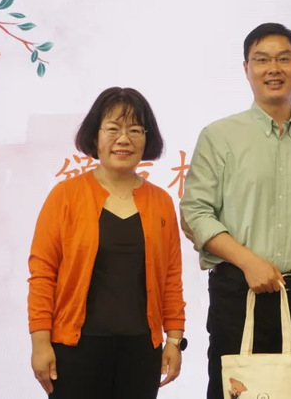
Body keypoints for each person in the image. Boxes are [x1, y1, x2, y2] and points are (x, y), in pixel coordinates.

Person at [179, 22, 291, 399]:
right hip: (237, 294)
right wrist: (248, 262)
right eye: (262, 59)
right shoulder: (220, 136)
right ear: (246, 68)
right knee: (233, 392)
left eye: (284, 59)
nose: (274, 68)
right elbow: (196, 212)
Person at [27, 87, 187, 398]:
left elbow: (171, 279)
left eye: (135, 130)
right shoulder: (65, 195)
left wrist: (173, 340)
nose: (123, 139)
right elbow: (43, 274)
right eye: (113, 129)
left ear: (147, 138)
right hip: (75, 350)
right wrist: (40, 343)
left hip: (141, 351)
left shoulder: (161, 202)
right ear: (95, 135)